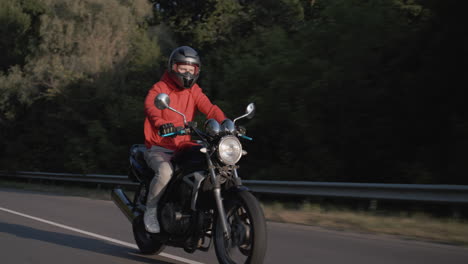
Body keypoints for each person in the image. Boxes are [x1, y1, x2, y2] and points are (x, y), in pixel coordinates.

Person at [143, 46, 226, 233]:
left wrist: (226, 123)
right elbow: (151, 107)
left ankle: (203, 211)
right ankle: (151, 210)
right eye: (183, 69)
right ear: (173, 67)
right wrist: (161, 123)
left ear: (197, 71)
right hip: (160, 147)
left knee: (212, 164)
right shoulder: (160, 88)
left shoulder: (194, 91)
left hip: (183, 146)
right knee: (165, 172)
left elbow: (210, 109)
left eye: (192, 69)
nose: (187, 73)